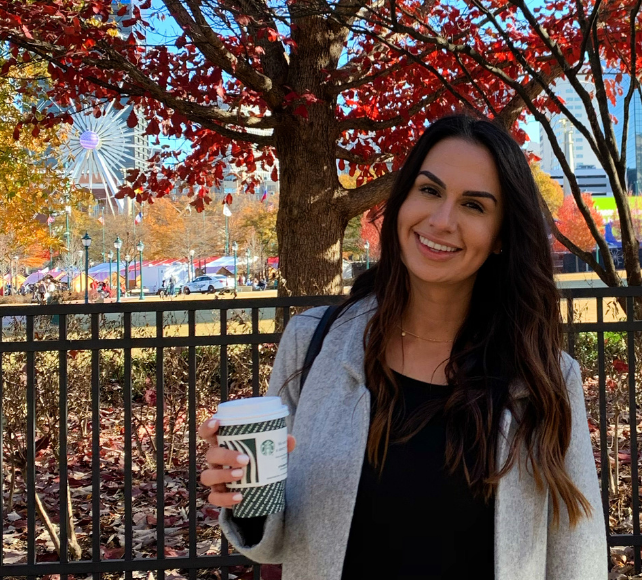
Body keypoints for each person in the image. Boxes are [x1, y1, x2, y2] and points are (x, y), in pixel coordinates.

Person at [198, 115, 607, 579]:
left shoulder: (542, 376)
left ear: (500, 237)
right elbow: (274, 544)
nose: (441, 220)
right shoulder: (313, 344)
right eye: (429, 191)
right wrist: (242, 491)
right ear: (402, 201)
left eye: (474, 206)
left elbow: (578, 556)